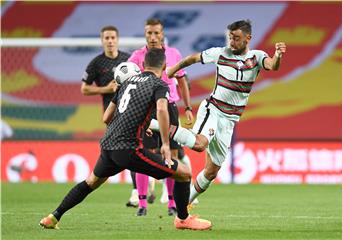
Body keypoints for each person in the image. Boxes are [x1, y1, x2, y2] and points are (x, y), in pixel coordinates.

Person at [39, 48, 212, 231]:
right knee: (184, 173)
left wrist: (138, 126)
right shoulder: (159, 84)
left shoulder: (127, 82)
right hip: (128, 149)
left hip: (108, 144)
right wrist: (166, 145)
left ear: (143, 65)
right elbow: (161, 110)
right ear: (164, 65)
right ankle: (183, 220)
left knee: (90, 182)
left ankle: (54, 216)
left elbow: (106, 117)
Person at [150, 20, 286, 204]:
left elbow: (272, 65)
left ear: (248, 38)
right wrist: (173, 69)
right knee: (199, 144)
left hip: (229, 120)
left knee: (211, 171)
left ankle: (185, 203)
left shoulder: (256, 57)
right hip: (213, 109)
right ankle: (154, 124)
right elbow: (193, 58)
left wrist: (277, 54)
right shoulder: (221, 53)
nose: (232, 42)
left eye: (236, 38)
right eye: (230, 37)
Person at [128, 18, 193, 216]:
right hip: (146, 109)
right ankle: (142, 204)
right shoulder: (136, 57)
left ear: (163, 34)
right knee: (144, 154)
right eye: (149, 33)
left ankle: (172, 203)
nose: (153, 37)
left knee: (172, 156)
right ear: (145, 34)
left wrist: (188, 107)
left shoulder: (173, 54)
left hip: (170, 108)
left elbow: (182, 81)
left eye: (157, 33)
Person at [80, 25, 138, 207]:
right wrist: (106, 89)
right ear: (102, 40)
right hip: (111, 115)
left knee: (131, 149)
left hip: (130, 112)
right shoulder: (96, 63)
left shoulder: (128, 59)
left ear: (118, 39)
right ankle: (140, 189)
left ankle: (138, 192)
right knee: (126, 151)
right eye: (107, 38)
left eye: (113, 37)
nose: (110, 41)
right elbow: (84, 88)